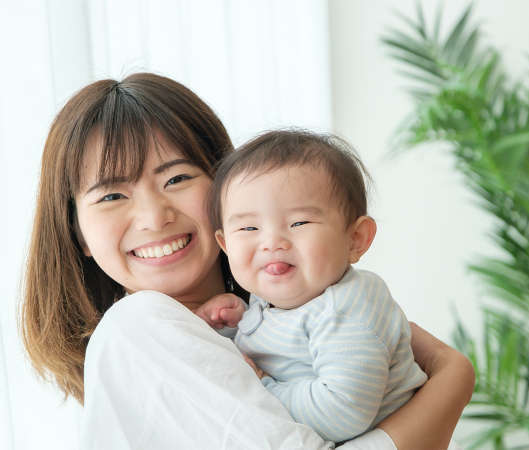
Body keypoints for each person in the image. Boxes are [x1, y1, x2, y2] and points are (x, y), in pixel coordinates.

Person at [20, 72, 474, 449]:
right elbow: (426, 376)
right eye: (113, 195)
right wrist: (452, 383)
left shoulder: (284, 310)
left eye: (177, 178)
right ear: (76, 231)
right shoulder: (137, 325)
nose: (155, 217)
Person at [207, 129, 428, 443]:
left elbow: (343, 412)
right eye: (249, 227)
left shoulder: (347, 307)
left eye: (299, 223)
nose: (271, 242)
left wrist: (262, 388)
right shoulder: (272, 299)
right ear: (225, 243)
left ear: (356, 239)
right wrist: (240, 321)